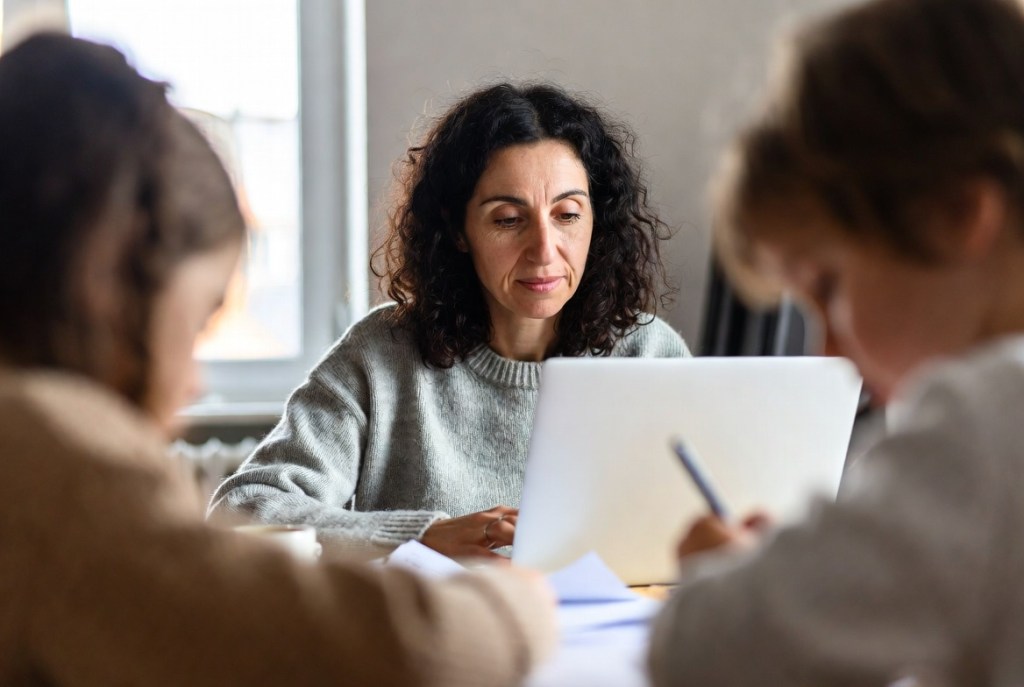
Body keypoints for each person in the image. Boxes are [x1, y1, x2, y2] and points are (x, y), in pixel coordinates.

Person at [0, 33, 556, 686]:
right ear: (107, 289)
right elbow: (400, 648)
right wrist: (513, 606)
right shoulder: (52, 464)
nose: (192, 383)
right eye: (198, 320)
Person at [647, 0, 1024, 685]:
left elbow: (703, 651)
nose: (826, 351)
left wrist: (723, 574)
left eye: (828, 286)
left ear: (955, 215)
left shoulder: (987, 420)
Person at [210, 83, 690, 560]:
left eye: (567, 215)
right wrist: (419, 535)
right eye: (508, 219)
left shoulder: (648, 354)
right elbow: (242, 511)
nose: (545, 250)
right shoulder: (381, 356)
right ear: (458, 230)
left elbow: (710, 523)